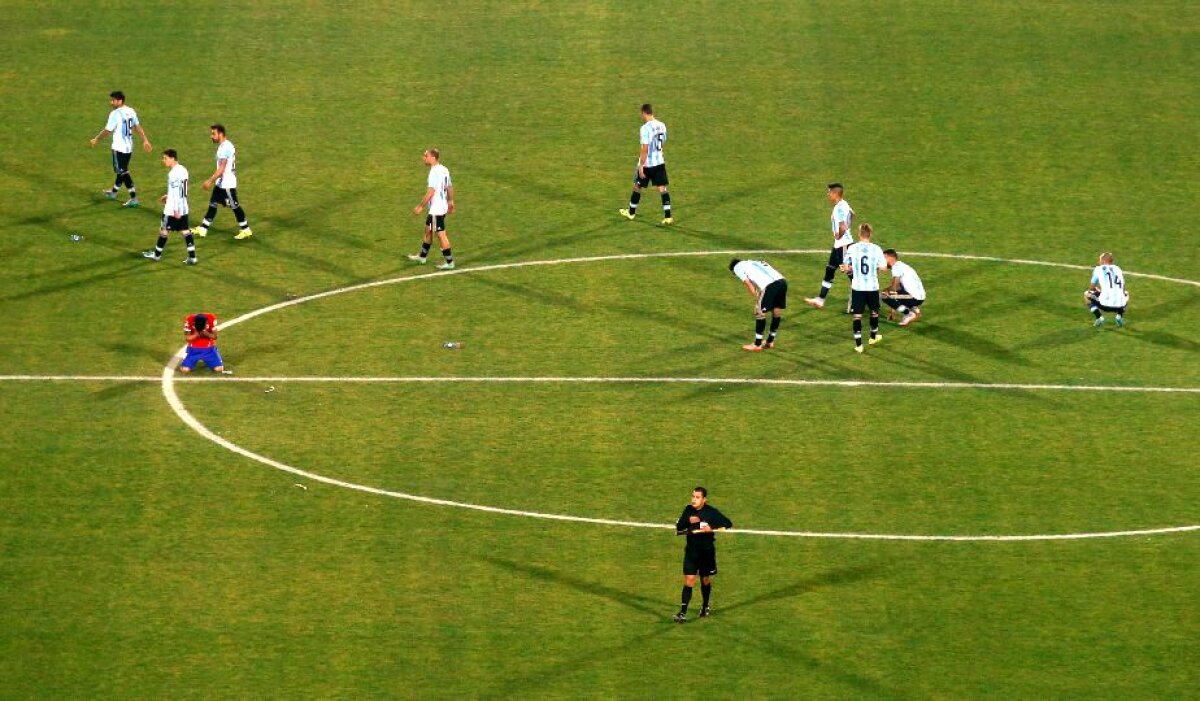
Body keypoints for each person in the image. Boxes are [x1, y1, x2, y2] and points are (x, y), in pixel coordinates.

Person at [673, 487, 733, 623]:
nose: (694, 499)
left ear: (704, 499)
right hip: (691, 552)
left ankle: (705, 606)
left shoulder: (712, 513)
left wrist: (711, 528)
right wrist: (690, 521)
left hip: (706, 553)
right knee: (689, 580)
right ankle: (682, 613)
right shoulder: (688, 510)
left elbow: (728, 524)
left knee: (705, 580)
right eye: (693, 496)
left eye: (697, 497)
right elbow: (679, 527)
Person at [89, 90, 152, 207]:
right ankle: (113, 192)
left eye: (113, 100)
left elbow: (108, 130)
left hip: (119, 148)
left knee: (123, 171)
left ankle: (134, 198)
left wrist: (96, 138)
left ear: (120, 101)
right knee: (122, 170)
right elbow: (138, 127)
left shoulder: (115, 114)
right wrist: (145, 140)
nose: (111, 102)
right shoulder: (131, 111)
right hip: (129, 147)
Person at [190, 124, 253, 240]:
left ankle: (246, 229)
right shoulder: (224, 146)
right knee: (213, 203)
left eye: (213, 134)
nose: (211, 136)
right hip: (221, 183)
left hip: (227, 184)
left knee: (234, 206)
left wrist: (210, 180)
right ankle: (203, 228)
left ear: (221, 134)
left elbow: (222, 168)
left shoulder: (225, 147)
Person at [618, 104, 672, 225]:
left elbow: (645, 149)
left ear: (643, 113)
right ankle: (668, 217)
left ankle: (631, 213)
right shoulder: (662, 125)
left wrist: (641, 166)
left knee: (637, 186)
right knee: (662, 188)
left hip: (647, 164)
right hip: (659, 162)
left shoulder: (645, 128)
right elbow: (663, 142)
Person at [805, 183, 855, 310]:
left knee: (852, 275)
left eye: (829, 192)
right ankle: (821, 299)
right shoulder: (844, 204)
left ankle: (862, 301)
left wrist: (839, 235)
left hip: (843, 246)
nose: (828, 195)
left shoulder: (838, 208)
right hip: (839, 246)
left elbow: (843, 226)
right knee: (830, 270)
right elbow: (852, 214)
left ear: (835, 194)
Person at [142, 149, 196, 264]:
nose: (163, 160)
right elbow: (182, 190)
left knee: (163, 230)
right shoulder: (183, 170)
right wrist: (168, 195)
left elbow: (177, 193)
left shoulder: (172, 174)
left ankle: (156, 255)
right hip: (184, 206)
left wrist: (175, 209)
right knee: (185, 230)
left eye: (165, 158)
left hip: (172, 209)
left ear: (172, 158)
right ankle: (192, 257)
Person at [841, 223, 888, 352]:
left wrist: (849, 268)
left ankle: (858, 345)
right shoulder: (877, 249)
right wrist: (876, 267)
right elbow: (884, 268)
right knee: (874, 312)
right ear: (870, 234)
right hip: (872, 286)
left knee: (857, 315)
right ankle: (873, 337)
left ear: (859, 234)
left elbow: (845, 267)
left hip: (858, 287)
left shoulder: (853, 248)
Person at [407, 148, 456, 270]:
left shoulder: (434, 172)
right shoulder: (444, 169)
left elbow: (431, 192)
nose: (424, 158)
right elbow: (449, 187)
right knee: (428, 230)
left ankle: (449, 262)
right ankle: (422, 257)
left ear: (433, 157)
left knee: (441, 235)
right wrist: (450, 201)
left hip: (436, 209)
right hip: (442, 206)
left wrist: (420, 206)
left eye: (426, 156)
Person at [729, 258, 788, 351]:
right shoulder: (753, 261)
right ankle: (770, 341)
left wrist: (757, 299)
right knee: (776, 311)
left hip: (770, 286)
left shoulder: (737, 267)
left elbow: (748, 283)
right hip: (782, 282)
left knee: (759, 312)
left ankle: (757, 344)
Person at [882, 249, 926, 326]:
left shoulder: (896, 267)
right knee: (896, 291)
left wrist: (886, 290)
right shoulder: (902, 265)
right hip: (919, 296)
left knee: (883, 295)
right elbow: (898, 289)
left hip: (913, 298)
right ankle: (915, 309)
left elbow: (894, 288)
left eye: (884, 258)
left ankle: (909, 314)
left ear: (890, 258)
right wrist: (892, 310)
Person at [1086, 252, 1129, 327]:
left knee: (1086, 294)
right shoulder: (1118, 269)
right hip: (1120, 306)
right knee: (1126, 294)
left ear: (1103, 261)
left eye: (1099, 260)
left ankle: (1099, 317)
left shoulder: (1098, 269)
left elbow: (1092, 287)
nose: (1099, 262)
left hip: (1104, 305)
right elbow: (1123, 288)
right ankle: (1119, 316)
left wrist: (1096, 290)